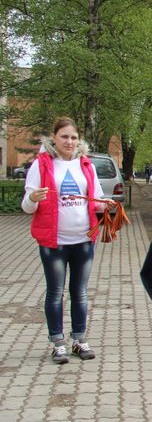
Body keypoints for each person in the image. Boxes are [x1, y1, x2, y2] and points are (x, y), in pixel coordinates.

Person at [22, 117, 104, 364]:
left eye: (73, 137)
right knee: (55, 292)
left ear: (79, 141)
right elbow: (26, 206)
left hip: (84, 240)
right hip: (53, 242)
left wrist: (108, 207)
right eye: (64, 136)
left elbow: (97, 199)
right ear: (54, 138)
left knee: (79, 292)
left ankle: (79, 340)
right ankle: (58, 343)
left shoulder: (86, 165)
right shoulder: (43, 164)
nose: (69, 141)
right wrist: (33, 198)